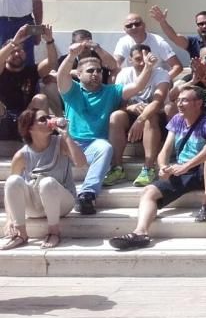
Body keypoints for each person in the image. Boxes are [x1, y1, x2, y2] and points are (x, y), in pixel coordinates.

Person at [109, 87, 206, 250]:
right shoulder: (177, 120)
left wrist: (186, 165)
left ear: (198, 103)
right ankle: (140, 232)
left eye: (184, 100)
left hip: (204, 170)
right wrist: (163, 166)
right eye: (178, 100)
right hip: (183, 171)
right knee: (149, 191)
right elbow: (165, 150)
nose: (179, 103)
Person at [57, 43, 156, 214]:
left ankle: (87, 195)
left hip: (94, 146)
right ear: (78, 74)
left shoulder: (112, 91)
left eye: (98, 70)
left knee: (105, 147)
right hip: (69, 144)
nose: (95, 74)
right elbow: (61, 76)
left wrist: (148, 67)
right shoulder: (71, 90)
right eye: (90, 71)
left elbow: (137, 87)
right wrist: (71, 56)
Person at [2, 108, 86, 250]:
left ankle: (54, 232)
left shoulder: (61, 142)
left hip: (62, 203)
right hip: (35, 206)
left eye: (48, 117)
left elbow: (82, 163)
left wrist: (66, 135)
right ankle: (21, 234)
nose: (48, 121)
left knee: (47, 182)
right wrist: (9, 218)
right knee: (12, 181)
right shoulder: (21, 155)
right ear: (30, 128)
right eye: (42, 119)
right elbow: (10, 191)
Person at [115, 44, 172, 187]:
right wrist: (131, 106)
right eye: (138, 59)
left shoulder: (161, 73)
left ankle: (148, 168)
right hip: (131, 114)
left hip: (157, 117)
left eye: (145, 59)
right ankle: (116, 168)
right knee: (115, 117)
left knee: (150, 117)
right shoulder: (123, 74)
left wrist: (140, 120)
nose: (142, 63)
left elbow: (158, 102)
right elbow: (117, 103)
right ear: (130, 60)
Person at [0, 23, 53, 140]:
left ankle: (43, 140)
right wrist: (14, 42)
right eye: (13, 51)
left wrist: (49, 41)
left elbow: (51, 63)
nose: (17, 54)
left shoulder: (32, 70)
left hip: (27, 119)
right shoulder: (2, 70)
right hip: (4, 119)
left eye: (20, 51)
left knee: (41, 98)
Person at [111, 13, 183, 79]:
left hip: (157, 82)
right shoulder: (123, 42)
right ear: (125, 29)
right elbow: (115, 65)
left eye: (137, 24)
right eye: (129, 26)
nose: (133, 27)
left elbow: (177, 67)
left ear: (144, 25)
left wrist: (162, 81)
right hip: (135, 83)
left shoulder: (158, 42)